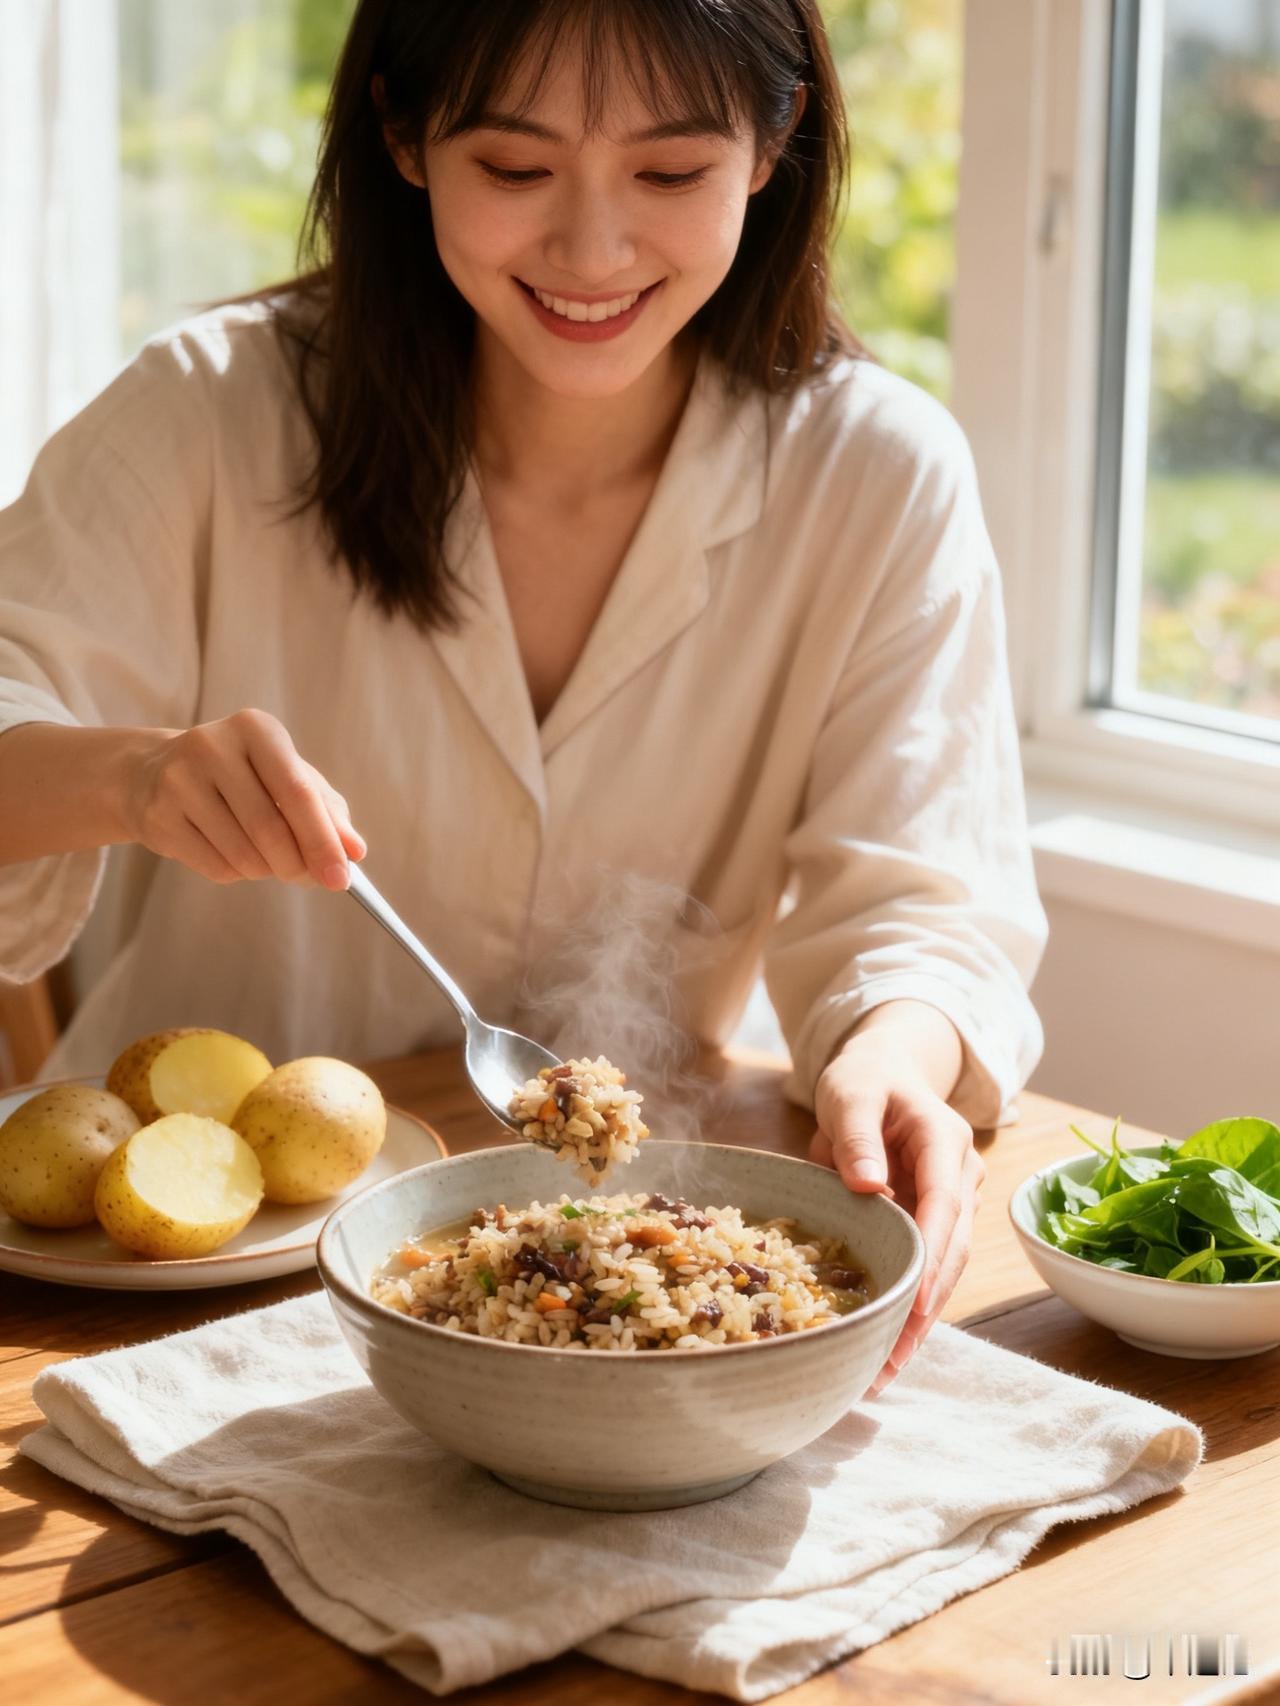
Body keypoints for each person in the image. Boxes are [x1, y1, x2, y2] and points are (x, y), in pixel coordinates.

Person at [0, 0, 1046, 1386]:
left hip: (599, 1309)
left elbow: (923, 903)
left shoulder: (879, 474)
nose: (593, 251)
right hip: (178, 1298)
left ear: (773, 138)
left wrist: (893, 1061)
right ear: (403, 133)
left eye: (670, 171)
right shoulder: (207, 410)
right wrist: (132, 777)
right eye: (514, 166)